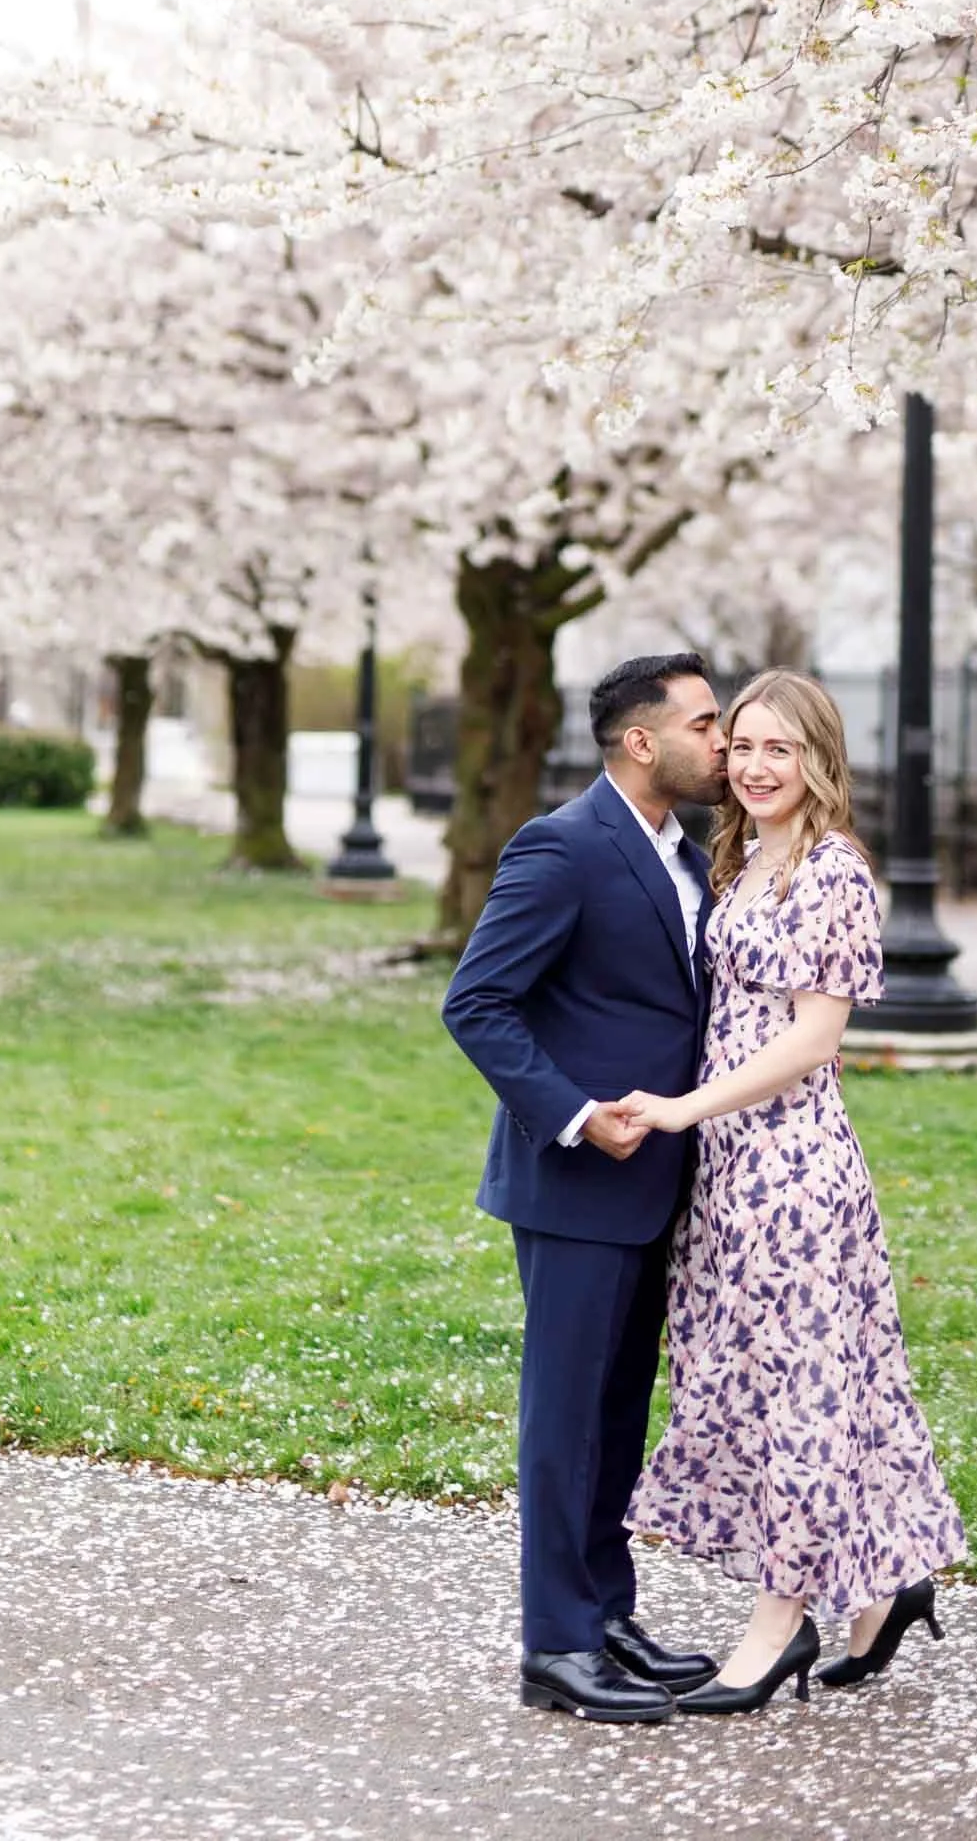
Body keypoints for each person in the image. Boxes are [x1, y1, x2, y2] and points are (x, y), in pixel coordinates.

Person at [621, 668, 967, 1713]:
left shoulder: (834, 873)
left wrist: (684, 1106)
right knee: (802, 1385)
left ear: (819, 761)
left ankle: (780, 1622)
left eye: (783, 749)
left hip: (793, 1174)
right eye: (745, 746)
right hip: (731, 1178)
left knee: (801, 1401)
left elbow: (814, 1038)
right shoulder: (742, 858)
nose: (759, 767)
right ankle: (884, 1589)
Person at [441, 653, 729, 1723]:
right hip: (573, 1185)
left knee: (613, 1417)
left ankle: (606, 1616)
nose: (724, 740)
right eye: (704, 722)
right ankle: (554, 1646)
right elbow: (477, 1004)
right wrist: (572, 1113)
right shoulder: (559, 848)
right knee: (564, 1422)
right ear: (640, 741)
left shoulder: (686, 857)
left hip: (657, 1183)